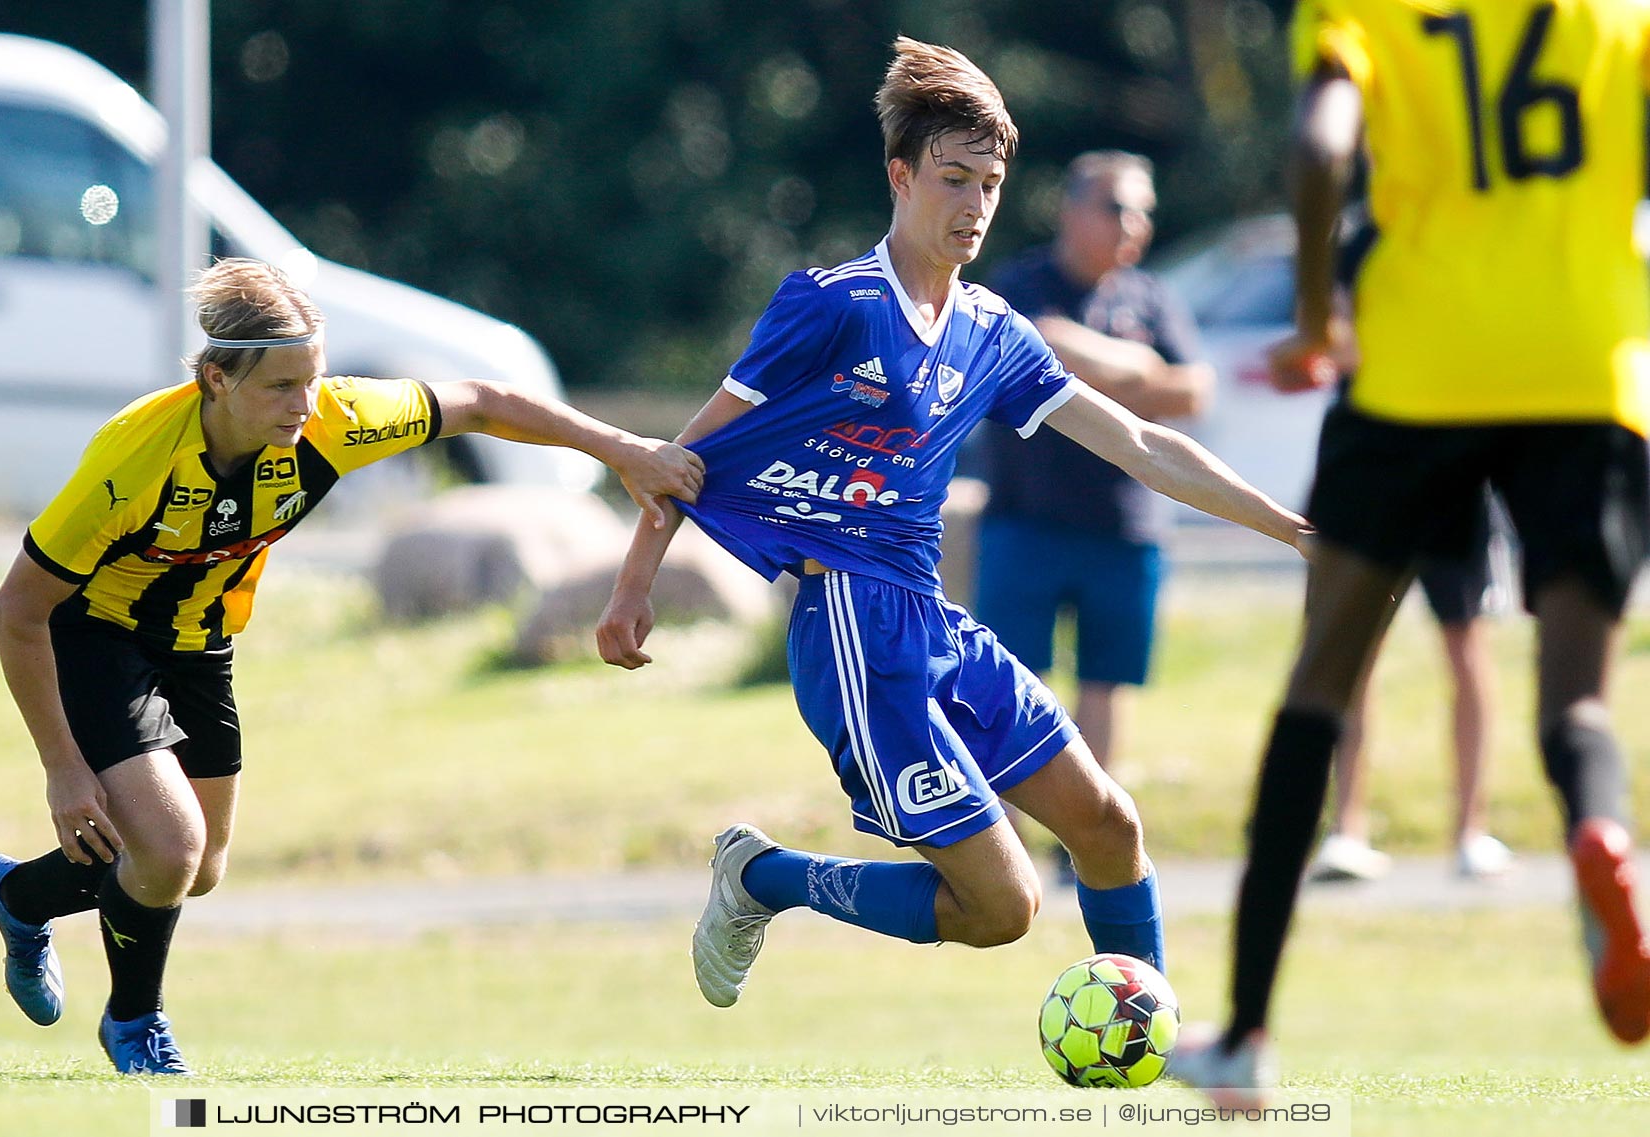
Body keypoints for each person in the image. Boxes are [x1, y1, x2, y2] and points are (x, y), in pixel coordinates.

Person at [594, 36, 1307, 1011]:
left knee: (1108, 824)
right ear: (901, 175)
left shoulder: (993, 329)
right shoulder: (831, 307)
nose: (972, 206)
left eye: (990, 185)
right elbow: (687, 458)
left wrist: (1294, 529)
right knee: (1004, 908)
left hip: (933, 625)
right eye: (953, 179)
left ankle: (1154, 1040)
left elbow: (1142, 443)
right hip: (850, 634)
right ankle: (761, 878)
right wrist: (635, 585)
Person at [0, 257, 705, 1075]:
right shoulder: (131, 463)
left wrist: (620, 447)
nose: (305, 405)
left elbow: (485, 402)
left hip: (201, 639)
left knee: (196, 869)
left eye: (312, 380)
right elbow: (16, 612)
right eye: (281, 387)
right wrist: (63, 770)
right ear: (216, 378)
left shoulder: (335, 420)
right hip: (95, 636)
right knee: (168, 849)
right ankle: (136, 1024)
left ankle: (19, 896)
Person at [1168, 0, 1650, 1103]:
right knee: (1576, 704)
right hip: (1586, 368)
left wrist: (1315, 315)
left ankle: (1244, 1034)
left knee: (1319, 690)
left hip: (1418, 370)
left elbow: (1319, 145)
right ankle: (1602, 837)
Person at [973, 152, 1214, 877]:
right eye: (1115, 208)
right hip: (1028, 520)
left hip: (1124, 523)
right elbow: (1032, 341)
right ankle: (999, 847)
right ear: (1070, 211)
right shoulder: (1021, 283)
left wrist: (1100, 363)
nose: (1130, 225)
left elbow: (1194, 390)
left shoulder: (1151, 296)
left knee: (1106, 685)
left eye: (1142, 211)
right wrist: (1132, 368)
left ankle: (1083, 840)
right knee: (1011, 682)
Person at [1312, 497, 1515, 882]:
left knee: (1466, 643)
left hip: (1457, 482)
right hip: (1377, 478)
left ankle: (1472, 833)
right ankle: (1347, 832)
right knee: (1354, 647)